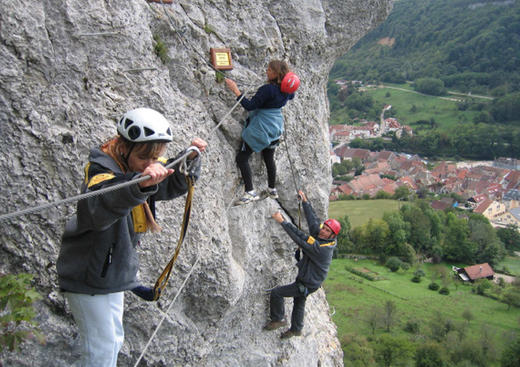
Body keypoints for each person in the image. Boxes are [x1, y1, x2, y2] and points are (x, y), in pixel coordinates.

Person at [56, 107, 207, 367]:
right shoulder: (101, 172)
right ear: (124, 148)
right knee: (101, 353)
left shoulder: (134, 166)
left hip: (109, 275)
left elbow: (166, 183)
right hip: (90, 277)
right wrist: (139, 185)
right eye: (144, 158)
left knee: (111, 342)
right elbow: (99, 206)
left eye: (156, 158)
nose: (151, 165)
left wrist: (187, 161)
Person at [265, 190, 341, 339]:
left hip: (308, 283)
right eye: (324, 228)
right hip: (310, 281)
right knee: (299, 300)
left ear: (333, 236)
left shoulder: (322, 249)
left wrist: (283, 222)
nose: (323, 231)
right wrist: (305, 201)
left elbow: (300, 239)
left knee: (277, 293)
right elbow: (313, 221)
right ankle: (296, 329)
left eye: (327, 231)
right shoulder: (323, 238)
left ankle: (277, 319)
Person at [225, 59, 295, 205]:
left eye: (269, 70)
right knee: (269, 157)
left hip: (262, 127)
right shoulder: (287, 90)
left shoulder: (267, 89)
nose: (266, 71)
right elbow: (291, 94)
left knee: (242, 158)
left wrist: (235, 90)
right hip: (275, 127)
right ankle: (271, 187)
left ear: (275, 73)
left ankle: (250, 192)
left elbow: (250, 106)